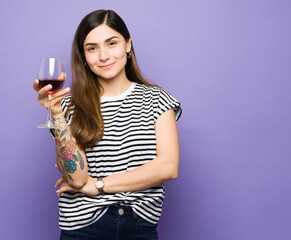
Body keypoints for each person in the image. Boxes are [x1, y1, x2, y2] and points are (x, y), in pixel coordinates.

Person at [33, 9, 181, 240]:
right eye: (92, 48)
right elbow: (77, 178)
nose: (103, 56)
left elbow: (167, 167)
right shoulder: (70, 104)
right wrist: (55, 113)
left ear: (128, 45)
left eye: (112, 43)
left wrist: (99, 185)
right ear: (83, 55)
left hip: (140, 225)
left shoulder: (158, 100)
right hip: (83, 227)